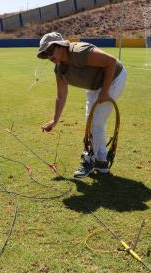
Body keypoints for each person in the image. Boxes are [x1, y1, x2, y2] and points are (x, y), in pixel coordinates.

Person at [37, 32, 127, 177]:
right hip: (94, 86)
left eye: (50, 51)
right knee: (89, 123)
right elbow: (61, 95)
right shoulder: (59, 69)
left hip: (114, 78)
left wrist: (105, 92)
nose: (49, 56)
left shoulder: (79, 52)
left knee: (96, 123)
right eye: (46, 54)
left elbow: (110, 62)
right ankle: (95, 160)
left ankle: (98, 161)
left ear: (60, 46)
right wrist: (54, 120)